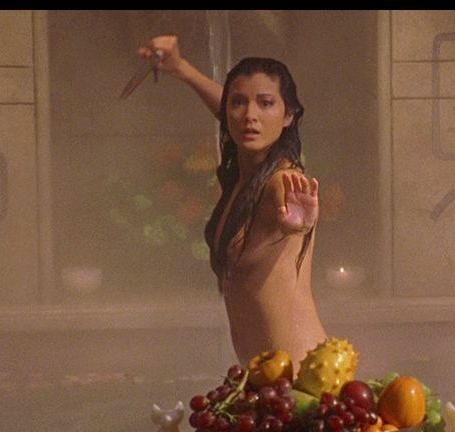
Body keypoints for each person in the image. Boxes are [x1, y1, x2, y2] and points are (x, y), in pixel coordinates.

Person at [139, 35, 326, 365]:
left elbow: (288, 207)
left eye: (266, 103)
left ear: (289, 116)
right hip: (263, 378)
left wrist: (297, 225)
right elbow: (235, 114)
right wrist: (181, 69)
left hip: (301, 377)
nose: (250, 115)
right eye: (239, 102)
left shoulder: (281, 180)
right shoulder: (246, 175)